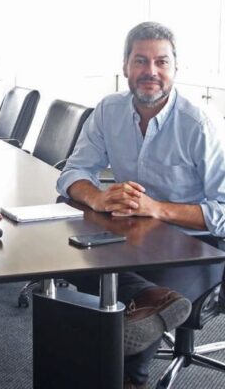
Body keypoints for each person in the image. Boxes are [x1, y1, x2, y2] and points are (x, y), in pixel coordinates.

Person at [57, 21, 225, 388]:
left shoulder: (199, 125)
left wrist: (157, 208)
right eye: (140, 61)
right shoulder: (109, 110)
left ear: (176, 69)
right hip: (133, 237)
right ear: (125, 67)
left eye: (161, 62)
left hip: (197, 246)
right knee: (66, 256)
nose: (151, 71)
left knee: (139, 313)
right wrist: (98, 196)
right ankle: (149, 300)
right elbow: (73, 172)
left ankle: (131, 377)